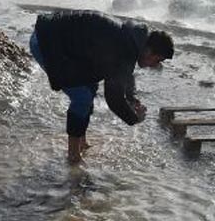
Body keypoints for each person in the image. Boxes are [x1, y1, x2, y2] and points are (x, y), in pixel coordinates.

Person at [29, 10, 174, 163]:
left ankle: (82, 143)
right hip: (46, 41)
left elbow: (126, 74)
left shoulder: (132, 40)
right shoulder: (123, 48)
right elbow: (113, 98)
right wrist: (134, 118)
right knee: (82, 96)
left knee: (90, 88)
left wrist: (131, 98)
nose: (155, 65)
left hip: (60, 40)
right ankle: (73, 156)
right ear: (149, 51)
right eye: (158, 60)